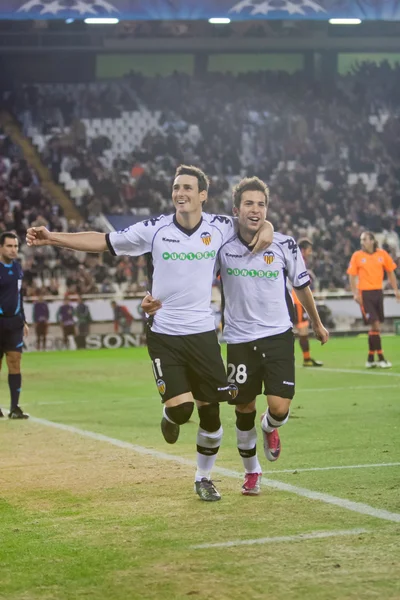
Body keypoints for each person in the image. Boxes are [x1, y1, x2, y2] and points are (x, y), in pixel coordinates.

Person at [26, 164, 273, 501]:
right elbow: (103, 241)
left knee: (212, 412)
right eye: (176, 188)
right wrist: (53, 237)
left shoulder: (220, 227)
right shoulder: (154, 229)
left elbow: (258, 225)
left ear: (203, 195)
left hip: (203, 335)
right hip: (165, 334)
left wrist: (269, 228)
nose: (180, 193)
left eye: (187, 188)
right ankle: (169, 415)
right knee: (183, 410)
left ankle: (203, 477)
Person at [144, 176, 329, 497]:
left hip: (277, 337)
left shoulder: (285, 244)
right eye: (248, 204)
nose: (255, 210)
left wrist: (316, 322)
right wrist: (151, 296)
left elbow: (301, 286)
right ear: (236, 210)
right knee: (242, 409)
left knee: (280, 408)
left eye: (261, 205)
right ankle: (251, 472)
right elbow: (187, 270)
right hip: (239, 340)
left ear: (267, 210)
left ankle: (270, 427)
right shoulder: (221, 246)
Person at [347, 231, 399, 368]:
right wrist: (355, 294)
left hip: (378, 292)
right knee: (375, 324)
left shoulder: (382, 254)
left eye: (364, 239)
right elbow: (351, 276)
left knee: (375, 326)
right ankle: (381, 358)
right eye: (361, 240)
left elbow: (391, 272)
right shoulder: (357, 256)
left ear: (372, 241)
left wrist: (396, 290)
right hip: (365, 294)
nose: (362, 242)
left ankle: (370, 358)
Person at [0, 232, 29, 419]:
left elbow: (19, 296)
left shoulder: (18, 268)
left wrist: (24, 319)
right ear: (1, 247)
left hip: (15, 323)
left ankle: (14, 408)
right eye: (9, 246)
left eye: (16, 246)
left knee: (15, 363)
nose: (13, 250)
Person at [292, 239, 323, 367]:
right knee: (302, 329)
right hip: (297, 300)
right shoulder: (297, 261)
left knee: (300, 330)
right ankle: (306, 359)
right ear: (303, 250)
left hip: (295, 299)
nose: (310, 253)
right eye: (309, 250)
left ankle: (307, 358)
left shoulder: (297, 260)